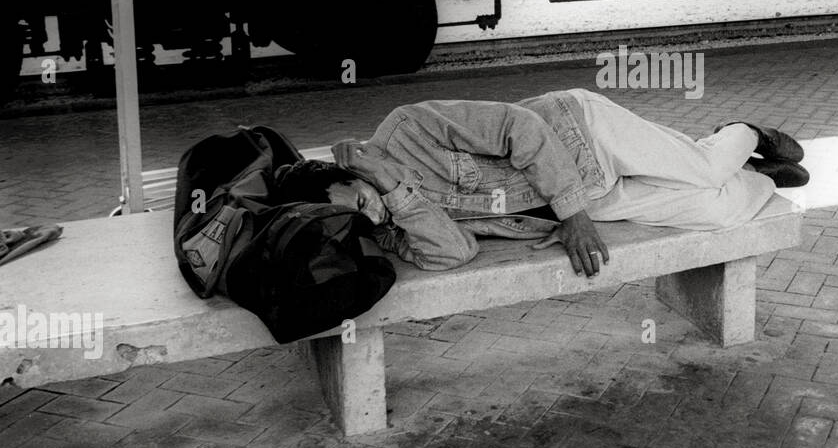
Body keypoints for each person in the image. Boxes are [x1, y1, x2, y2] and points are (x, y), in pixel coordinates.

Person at [274, 89, 808, 278]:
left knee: (704, 172)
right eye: (361, 216)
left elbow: (520, 126)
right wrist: (392, 192)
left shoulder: (409, 126)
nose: (374, 214)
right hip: (574, 203)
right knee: (718, 212)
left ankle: (744, 134)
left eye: (363, 197)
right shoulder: (387, 219)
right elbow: (454, 252)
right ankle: (753, 173)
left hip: (583, 135)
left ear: (351, 172)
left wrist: (573, 217)